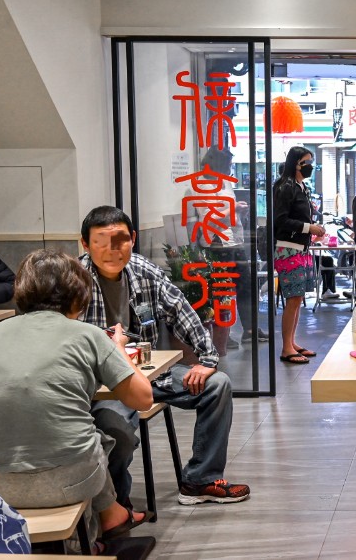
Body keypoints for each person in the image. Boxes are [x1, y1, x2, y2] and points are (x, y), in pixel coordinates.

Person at [79, 206, 251, 506]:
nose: (111, 250)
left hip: (147, 373)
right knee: (115, 431)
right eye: (100, 241)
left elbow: (181, 312)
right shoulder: (74, 279)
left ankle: (200, 480)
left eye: (120, 240)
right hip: (101, 385)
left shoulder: (145, 271)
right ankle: (115, 506)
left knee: (217, 385)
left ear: (133, 239)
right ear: (85, 244)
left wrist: (208, 360)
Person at [0, 250, 153, 546]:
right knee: (97, 438)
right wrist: (115, 347)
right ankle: (99, 528)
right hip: (68, 482)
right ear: (78, 297)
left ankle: (102, 522)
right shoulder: (88, 335)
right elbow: (143, 399)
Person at [184, 146, 268, 350]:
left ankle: (249, 329)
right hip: (215, 242)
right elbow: (207, 219)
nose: (230, 169)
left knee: (246, 286)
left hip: (234, 240)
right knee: (220, 291)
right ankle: (222, 332)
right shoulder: (198, 187)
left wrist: (239, 211)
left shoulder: (225, 184)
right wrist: (234, 209)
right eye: (228, 165)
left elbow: (229, 215)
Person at [273, 146, 325, 363]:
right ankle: (286, 348)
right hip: (287, 249)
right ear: (296, 163)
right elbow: (281, 221)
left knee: (298, 297)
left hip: (301, 248)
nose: (310, 165)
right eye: (306, 161)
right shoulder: (285, 187)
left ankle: (292, 342)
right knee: (292, 298)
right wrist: (309, 228)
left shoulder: (301, 187)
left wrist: (313, 230)